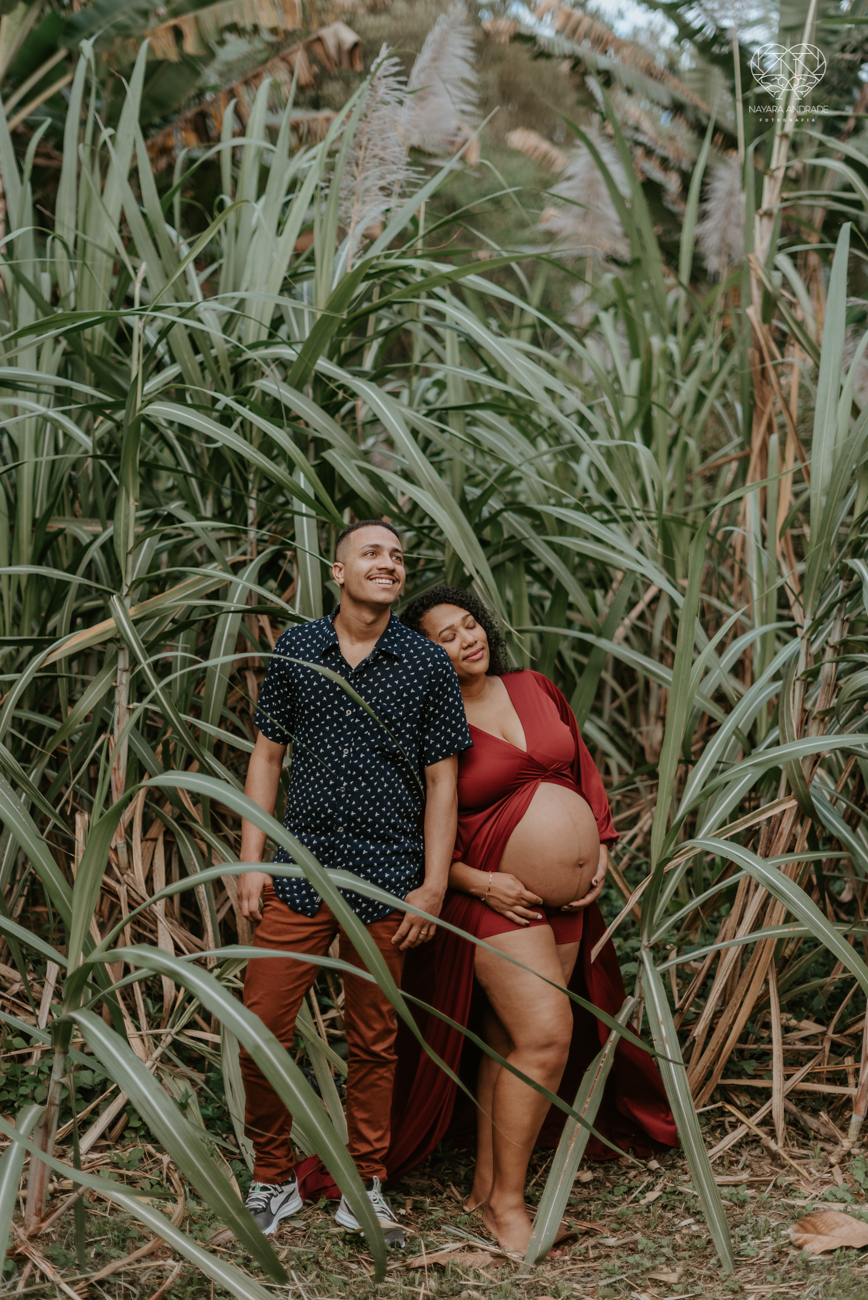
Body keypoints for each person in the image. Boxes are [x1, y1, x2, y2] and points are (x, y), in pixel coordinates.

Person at [389, 585, 677, 1256]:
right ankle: (508, 1209)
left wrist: (597, 847)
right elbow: (410, 830)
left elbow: (581, 769)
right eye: (446, 636)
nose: (467, 638)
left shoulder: (535, 685)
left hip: (568, 901)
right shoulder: (426, 718)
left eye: (470, 624)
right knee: (545, 1036)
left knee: (506, 1039)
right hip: (493, 892)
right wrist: (478, 881)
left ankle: (488, 1184)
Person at [236, 526, 472, 1243]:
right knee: (261, 1029)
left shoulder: (426, 664)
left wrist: (433, 885)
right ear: (338, 569)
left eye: (397, 557)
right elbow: (267, 755)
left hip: (387, 878)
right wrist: (252, 858)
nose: (388, 563)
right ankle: (271, 1178)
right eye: (373, 553)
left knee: (375, 1041)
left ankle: (365, 1186)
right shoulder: (298, 648)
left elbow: (442, 782)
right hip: (298, 873)